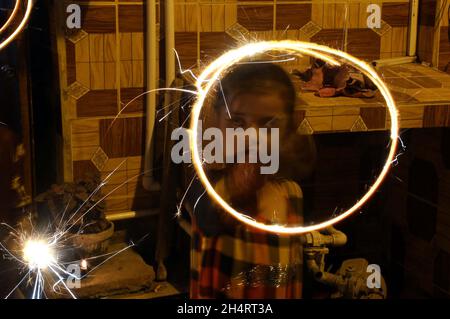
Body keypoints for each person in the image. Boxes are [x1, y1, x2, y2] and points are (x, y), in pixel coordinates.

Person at [188, 62, 316, 298]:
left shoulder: (292, 194)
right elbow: (207, 216)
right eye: (237, 121)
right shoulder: (211, 193)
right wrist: (236, 192)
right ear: (216, 122)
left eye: (269, 124)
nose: (251, 137)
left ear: (288, 129)